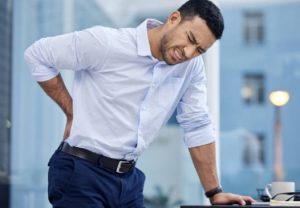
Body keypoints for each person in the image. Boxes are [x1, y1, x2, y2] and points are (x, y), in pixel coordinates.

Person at [24, 0, 255, 207]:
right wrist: (70, 110)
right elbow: (37, 55)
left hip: (128, 180)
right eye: (190, 39)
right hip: (81, 173)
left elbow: (197, 124)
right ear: (174, 18)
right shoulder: (107, 43)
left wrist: (214, 192)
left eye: (199, 50)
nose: (188, 52)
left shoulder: (191, 67)